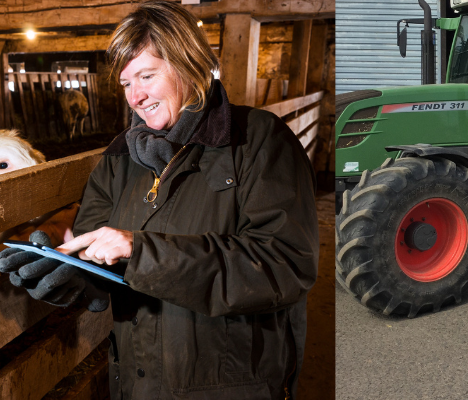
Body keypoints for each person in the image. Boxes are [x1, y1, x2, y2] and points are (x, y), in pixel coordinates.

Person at [0, 1, 318, 398]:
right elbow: (94, 258)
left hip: (232, 386)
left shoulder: (258, 141)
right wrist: (61, 276)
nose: (135, 96)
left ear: (189, 64)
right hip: (137, 386)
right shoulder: (118, 158)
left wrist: (141, 251)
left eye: (146, 76)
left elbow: (285, 264)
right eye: (126, 84)